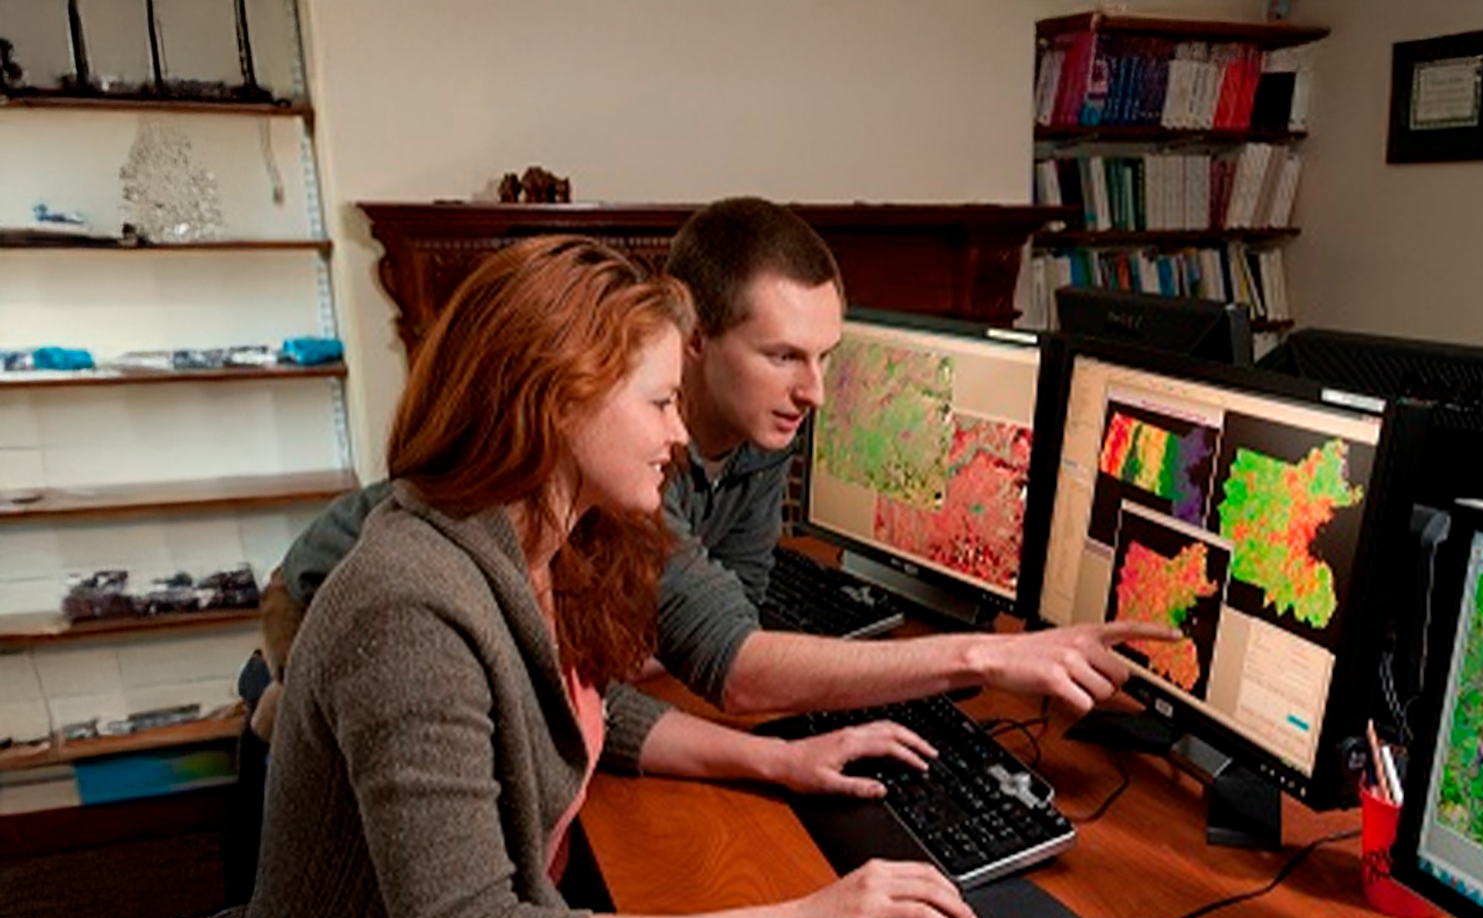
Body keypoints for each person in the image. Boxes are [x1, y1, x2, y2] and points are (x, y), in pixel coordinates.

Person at [215, 236, 981, 918]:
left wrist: (777, 760)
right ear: (559, 404)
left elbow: (575, 702)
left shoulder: (545, 544)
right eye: (659, 403)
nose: (679, 433)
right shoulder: (411, 606)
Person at [261, 197, 1170, 735]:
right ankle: (276, 707)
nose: (815, 392)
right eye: (783, 356)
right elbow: (728, 661)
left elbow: (730, 606)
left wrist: (669, 646)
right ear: (693, 337)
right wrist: (982, 655)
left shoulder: (760, 428)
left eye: (826, 356)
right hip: (322, 596)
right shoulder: (620, 453)